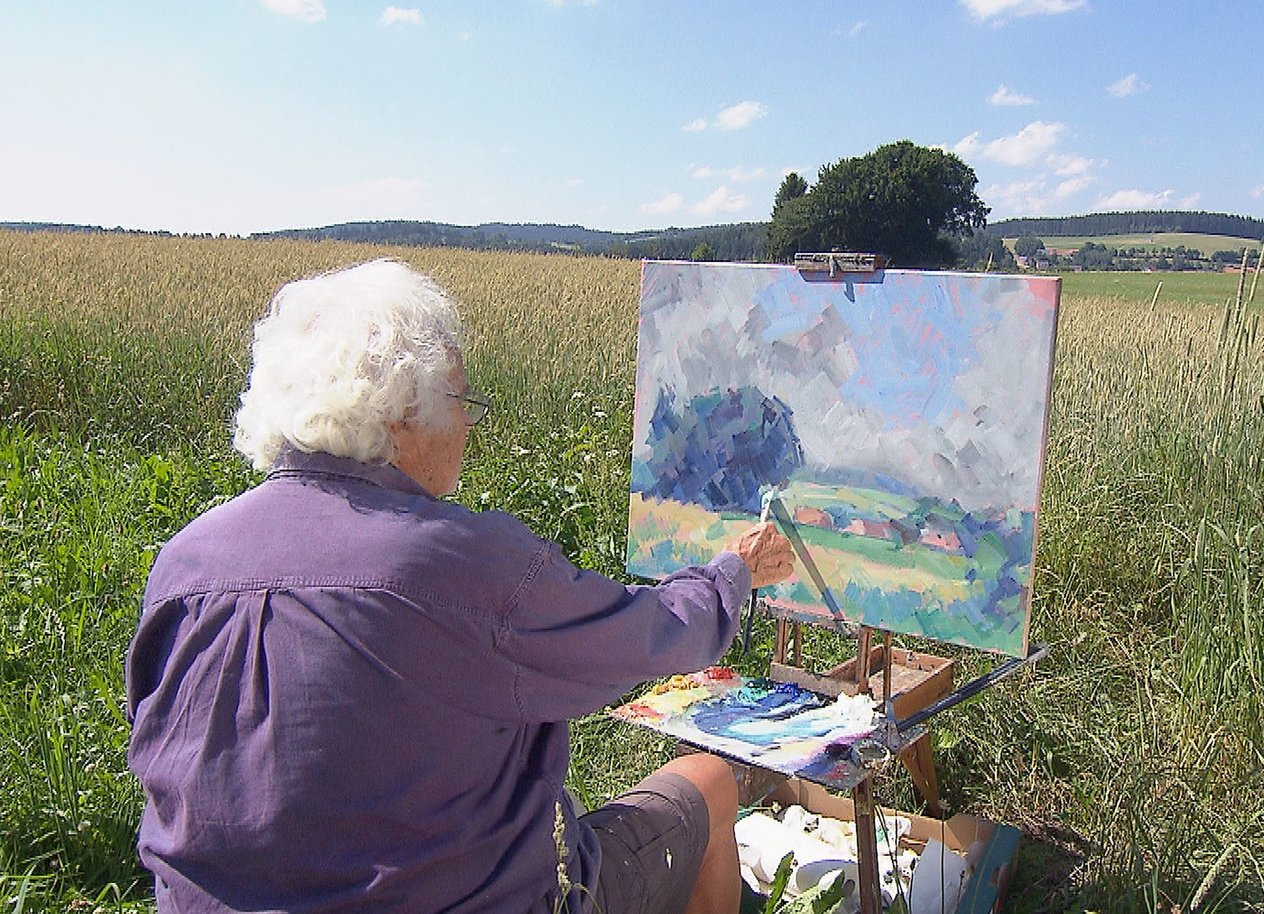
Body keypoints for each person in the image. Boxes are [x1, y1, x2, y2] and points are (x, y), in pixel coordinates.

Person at [124, 258, 795, 914]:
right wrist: (733, 571)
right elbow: (656, 636)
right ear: (400, 414)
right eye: (460, 400)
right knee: (709, 781)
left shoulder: (185, 563)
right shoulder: (463, 564)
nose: (468, 424)